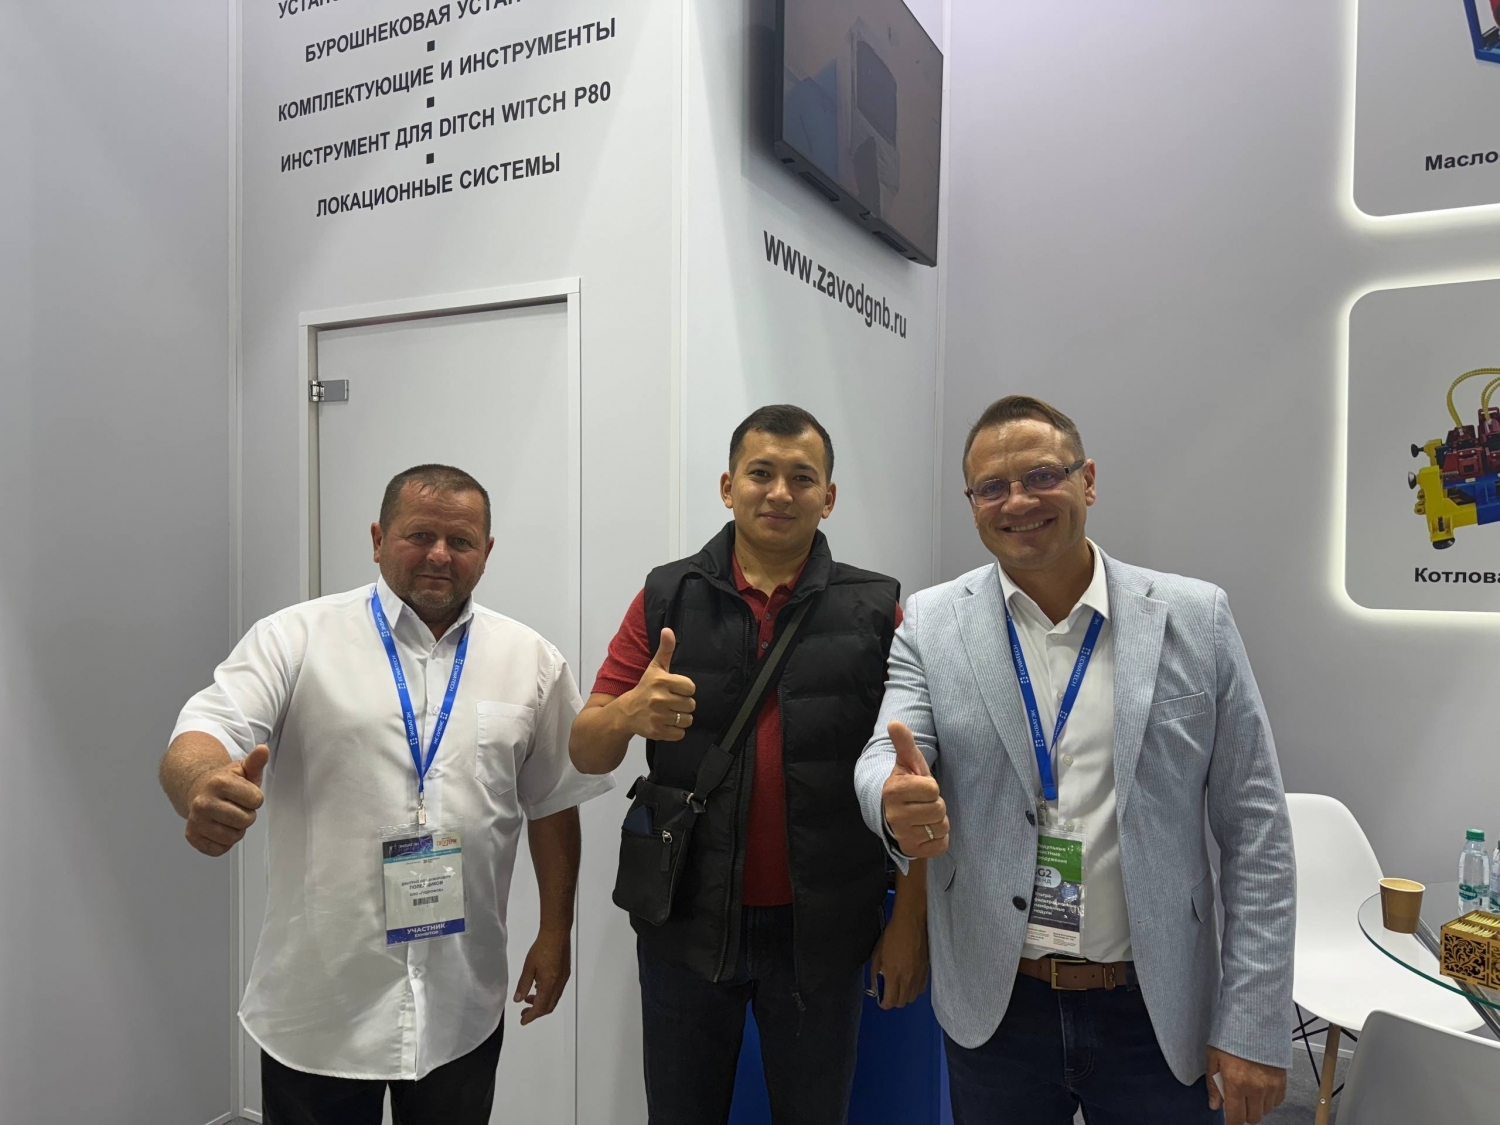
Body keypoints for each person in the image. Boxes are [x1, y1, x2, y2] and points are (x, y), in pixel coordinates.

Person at [855, 396, 1295, 1125]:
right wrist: (888, 799)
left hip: (1155, 1007)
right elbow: (885, 751)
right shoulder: (933, 622)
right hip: (999, 1007)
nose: (1018, 501)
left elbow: (1258, 831)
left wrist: (1253, 1019)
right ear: (972, 504)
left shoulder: (1196, 618)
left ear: (1087, 479)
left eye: (1041, 476)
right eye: (992, 487)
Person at [159, 464, 613, 1125]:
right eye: (419, 534)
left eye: (461, 541)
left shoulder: (532, 660)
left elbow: (551, 801)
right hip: (319, 1008)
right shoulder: (295, 638)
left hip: (461, 1003)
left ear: (487, 551)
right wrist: (201, 782)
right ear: (377, 539)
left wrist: (554, 930)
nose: (439, 554)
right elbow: (205, 729)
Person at [569, 405, 928, 1125]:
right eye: (761, 473)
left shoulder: (876, 607)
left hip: (823, 931)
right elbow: (585, 748)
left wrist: (909, 921)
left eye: (802, 477)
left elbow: (914, 781)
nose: (780, 492)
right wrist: (629, 712)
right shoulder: (668, 594)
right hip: (685, 920)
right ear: (728, 486)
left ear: (829, 496)